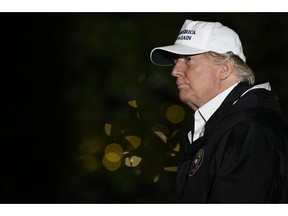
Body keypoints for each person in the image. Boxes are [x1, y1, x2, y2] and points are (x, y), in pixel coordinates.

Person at [150, 20, 288, 203]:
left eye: (188, 59)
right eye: (175, 61)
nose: (175, 70)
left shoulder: (250, 129)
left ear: (225, 68)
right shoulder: (222, 129)